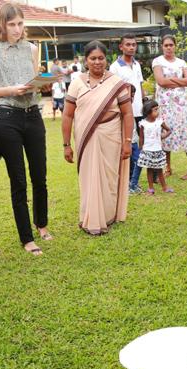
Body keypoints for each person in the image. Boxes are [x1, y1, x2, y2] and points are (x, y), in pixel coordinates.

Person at [0, 2, 52, 257]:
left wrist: (41, 84)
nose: (17, 29)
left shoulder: (32, 49)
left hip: (33, 115)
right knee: (18, 180)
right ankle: (27, 238)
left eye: (20, 23)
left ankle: (41, 224)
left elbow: (33, 82)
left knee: (39, 175)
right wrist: (12, 89)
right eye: (11, 24)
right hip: (7, 116)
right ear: (2, 25)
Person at [62, 40, 133, 235]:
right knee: (89, 178)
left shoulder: (115, 83)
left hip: (111, 136)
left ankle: (108, 216)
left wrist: (128, 142)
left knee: (109, 177)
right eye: (92, 58)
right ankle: (91, 219)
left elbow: (127, 114)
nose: (97, 62)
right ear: (86, 60)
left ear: (106, 59)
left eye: (101, 58)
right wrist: (66, 144)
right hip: (85, 137)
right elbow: (68, 115)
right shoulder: (77, 83)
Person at [152, 35, 187, 179]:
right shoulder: (157, 61)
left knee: (186, 133)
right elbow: (161, 81)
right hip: (165, 105)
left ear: (175, 46)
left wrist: (171, 80)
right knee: (166, 134)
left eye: (171, 45)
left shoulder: (181, 62)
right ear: (162, 47)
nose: (169, 47)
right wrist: (180, 81)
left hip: (181, 105)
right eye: (166, 45)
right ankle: (168, 167)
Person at [109, 34, 144, 145]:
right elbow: (113, 91)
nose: (131, 47)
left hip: (140, 110)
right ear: (121, 47)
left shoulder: (137, 64)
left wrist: (145, 101)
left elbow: (140, 85)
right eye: (128, 45)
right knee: (128, 143)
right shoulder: (115, 67)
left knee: (142, 142)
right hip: (125, 111)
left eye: (134, 45)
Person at [138, 100, 173, 195]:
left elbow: (169, 130)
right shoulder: (143, 124)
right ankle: (151, 188)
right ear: (148, 112)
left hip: (157, 150)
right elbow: (141, 138)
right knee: (149, 170)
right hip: (147, 150)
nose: (157, 112)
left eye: (157, 109)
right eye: (155, 110)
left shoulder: (159, 122)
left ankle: (164, 187)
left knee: (159, 170)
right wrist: (140, 148)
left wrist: (162, 137)